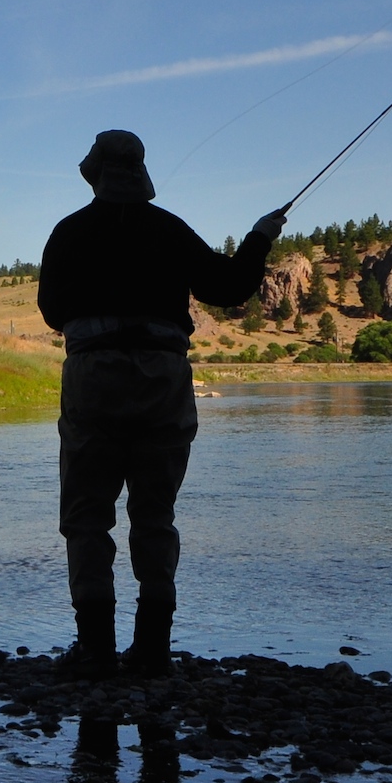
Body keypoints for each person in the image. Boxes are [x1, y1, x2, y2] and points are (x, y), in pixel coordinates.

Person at [37, 129, 285, 678]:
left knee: (86, 515)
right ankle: (152, 649)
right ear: (140, 173)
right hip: (163, 374)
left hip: (92, 374)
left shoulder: (68, 232)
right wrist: (261, 237)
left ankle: (95, 647)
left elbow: (52, 312)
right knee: (155, 513)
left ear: (95, 174)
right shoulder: (169, 228)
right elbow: (228, 286)